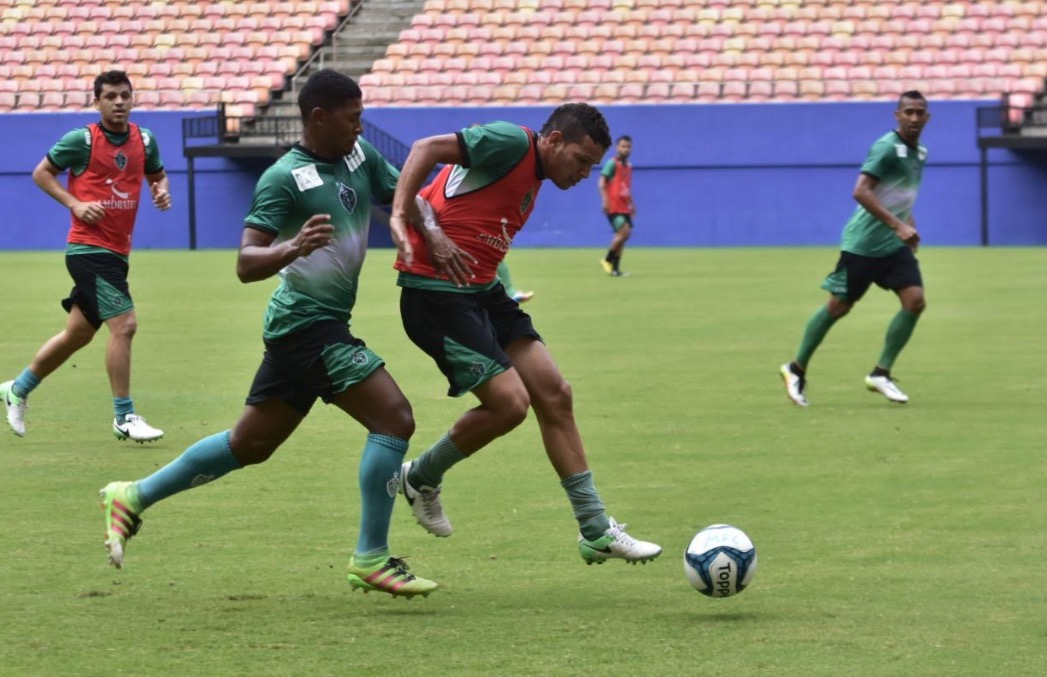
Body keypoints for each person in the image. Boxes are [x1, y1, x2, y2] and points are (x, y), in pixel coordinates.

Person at [99, 70, 446, 598]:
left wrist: (432, 232)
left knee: (251, 443)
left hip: (311, 326)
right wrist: (292, 247)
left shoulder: (360, 156)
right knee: (394, 418)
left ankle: (132, 496)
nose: (360, 128)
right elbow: (246, 261)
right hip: (307, 324)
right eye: (352, 119)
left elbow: (406, 196)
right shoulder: (284, 178)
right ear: (319, 118)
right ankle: (371, 557)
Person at [389, 104, 662, 565]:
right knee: (511, 404)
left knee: (555, 393)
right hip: (436, 294)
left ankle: (595, 528)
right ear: (553, 141)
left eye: (591, 166)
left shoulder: (535, 174)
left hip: (481, 291)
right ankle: (420, 477)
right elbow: (425, 148)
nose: (583, 174)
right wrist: (406, 219)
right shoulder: (511, 141)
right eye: (580, 160)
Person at [0, 70, 170, 442]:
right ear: (97, 102)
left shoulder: (145, 139)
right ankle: (124, 416)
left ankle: (17, 388)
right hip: (88, 249)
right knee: (124, 326)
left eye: (125, 95)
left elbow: (157, 175)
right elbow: (42, 173)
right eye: (110, 96)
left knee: (77, 334)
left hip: (117, 252)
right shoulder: (82, 140)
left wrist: (161, 191)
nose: (119, 102)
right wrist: (74, 203)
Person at [780, 91, 931, 407]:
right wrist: (898, 226)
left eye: (920, 112)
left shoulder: (919, 153)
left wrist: (909, 226)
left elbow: (901, 195)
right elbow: (861, 191)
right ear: (897, 115)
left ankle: (881, 374)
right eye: (908, 112)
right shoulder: (886, 147)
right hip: (864, 244)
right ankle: (796, 369)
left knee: (915, 301)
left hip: (893, 246)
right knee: (838, 307)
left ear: (927, 118)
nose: (914, 118)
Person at [597, 134, 634, 277]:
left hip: (624, 207)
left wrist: (631, 204)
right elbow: (601, 183)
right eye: (623, 146)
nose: (626, 149)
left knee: (623, 237)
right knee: (624, 233)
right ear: (617, 147)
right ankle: (607, 260)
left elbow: (625, 187)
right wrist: (605, 200)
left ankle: (615, 269)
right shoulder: (612, 164)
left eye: (628, 147)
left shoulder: (628, 166)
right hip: (614, 206)